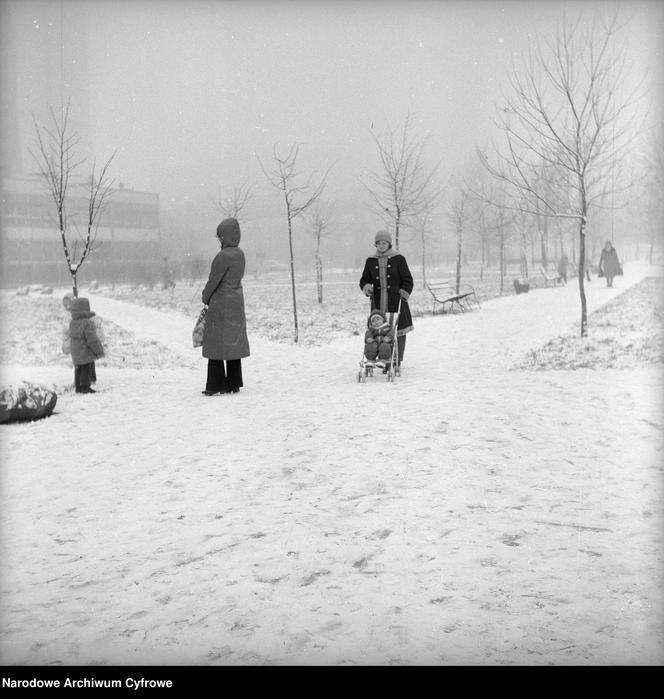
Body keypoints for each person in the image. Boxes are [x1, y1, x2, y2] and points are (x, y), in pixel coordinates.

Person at [201, 217, 250, 395]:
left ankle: (216, 384)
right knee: (233, 342)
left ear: (225, 236)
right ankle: (234, 383)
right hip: (236, 301)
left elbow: (213, 280)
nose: (220, 240)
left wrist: (205, 297)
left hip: (221, 303)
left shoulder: (222, 256)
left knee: (215, 343)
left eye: (220, 236)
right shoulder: (240, 254)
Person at [359, 229, 414, 366]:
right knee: (379, 331)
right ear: (375, 245)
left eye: (384, 243)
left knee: (397, 331)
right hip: (378, 304)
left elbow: (408, 279)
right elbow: (364, 279)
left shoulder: (399, 259)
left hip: (396, 302)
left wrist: (404, 291)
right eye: (378, 243)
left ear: (389, 244)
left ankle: (396, 359)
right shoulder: (371, 261)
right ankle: (380, 358)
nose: (381, 245)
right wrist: (366, 287)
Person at [62, 292, 105, 384]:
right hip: (83, 348)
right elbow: (91, 338)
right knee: (85, 366)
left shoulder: (76, 319)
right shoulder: (80, 319)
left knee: (82, 366)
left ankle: (82, 384)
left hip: (80, 348)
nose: (66, 306)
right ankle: (84, 386)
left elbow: (92, 332)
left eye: (68, 304)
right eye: (65, 304)